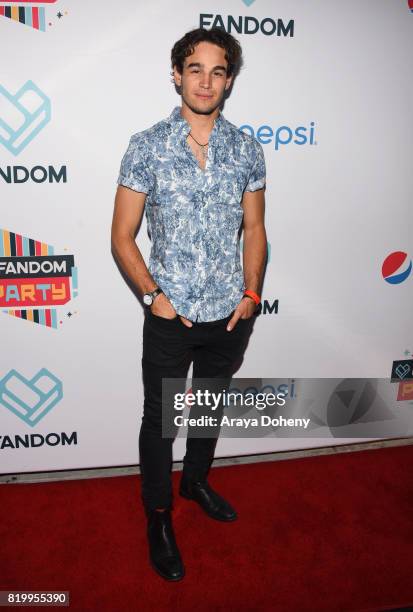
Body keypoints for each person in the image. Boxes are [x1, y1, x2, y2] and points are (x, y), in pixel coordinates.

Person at [111, 26, 267, 581]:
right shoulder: (146, 145)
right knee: (161, 421)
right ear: (176, 75)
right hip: (171, 315)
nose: (206, 81)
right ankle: (158, 515)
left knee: (208, 404)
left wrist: (251, 293)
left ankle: (196, 480)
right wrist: (153, 297)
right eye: (194, 69)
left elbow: (255, 229)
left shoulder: (246, 147)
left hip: (229, 311)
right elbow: (122, 235)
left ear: (229, 81)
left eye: (218, 71)